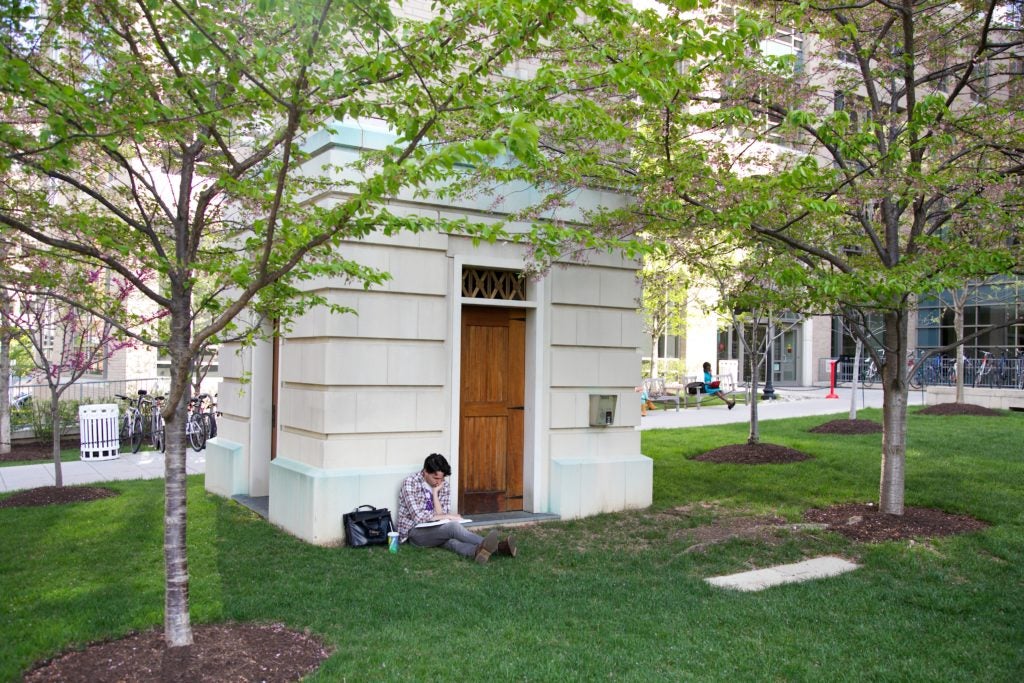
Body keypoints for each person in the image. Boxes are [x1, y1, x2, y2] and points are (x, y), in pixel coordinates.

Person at [397, 453, 516, 564]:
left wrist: (435, 493)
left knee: (451, 542)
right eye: (435, 478)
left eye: (442, 478)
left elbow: (441, 514)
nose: (439, 482)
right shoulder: (410, 483)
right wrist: (449, 517)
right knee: (452, 527)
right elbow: (418, 518)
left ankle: (477, 552)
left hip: (436, 530)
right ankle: (499, 547)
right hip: (414, 533)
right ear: (425, 472)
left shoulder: (443, 486)